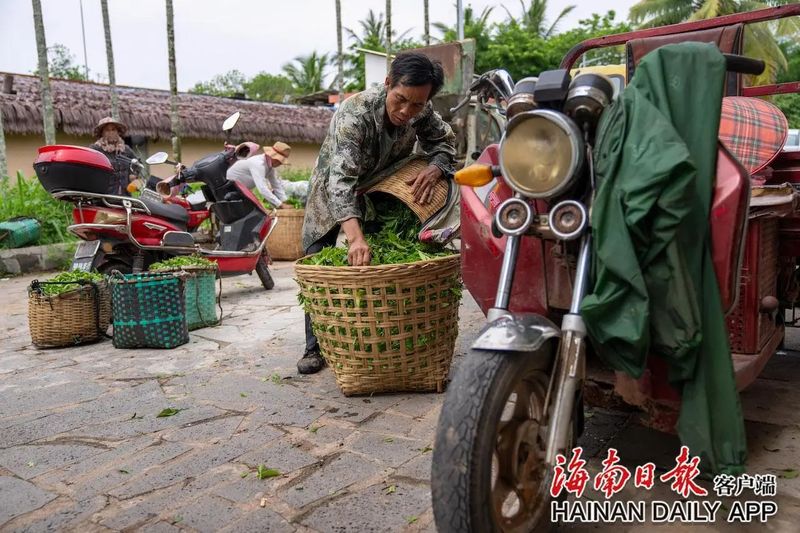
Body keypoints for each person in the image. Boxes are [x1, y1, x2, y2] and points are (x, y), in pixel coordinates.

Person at [297, 52, 457, 374]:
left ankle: (376, 336)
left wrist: (436, 167)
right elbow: (340, 182)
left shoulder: (420, 112)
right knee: (319, 260)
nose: (405, 112)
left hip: (381, 189)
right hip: (332, 191)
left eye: (416, 105)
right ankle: (315, 347)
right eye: (400, 100)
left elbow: (446, 144)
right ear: (387, 84)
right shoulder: (354, 114)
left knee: (380, 261)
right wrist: (354, 238)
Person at [226, 142, 293, 209]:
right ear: (274, 158)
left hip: (239, 191)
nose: (280, 164)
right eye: (280, 161)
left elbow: (276, 185)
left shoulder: (270, 168)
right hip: (228, 189)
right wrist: (280, 204)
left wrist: (285, 201)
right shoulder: (258, 164)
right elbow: (262, 188)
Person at [89, 117, 139, 196]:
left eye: (113, 129)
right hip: (103, 196)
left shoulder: (125, 149)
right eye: (107, 130)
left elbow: (137, 163)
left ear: (118, 132)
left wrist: (133, 174)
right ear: (102, 133)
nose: (111, 132)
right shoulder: (95, 149)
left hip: (125, 196)